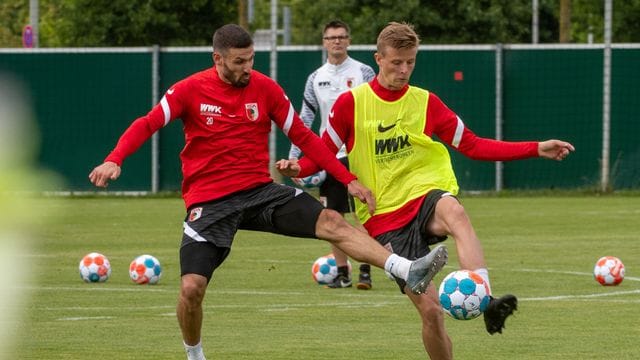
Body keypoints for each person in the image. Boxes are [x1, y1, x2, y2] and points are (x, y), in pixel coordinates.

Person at [88, 24, 448, 360]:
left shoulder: (265, 88)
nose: (247, 68)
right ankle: (194, 354)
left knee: (332, 220)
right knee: (191, 289)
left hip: (259, 192)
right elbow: (148, 122)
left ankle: (406, 267)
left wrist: (347, 177)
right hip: (210, 201)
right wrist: (114, 159)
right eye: (239, 62)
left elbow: (304, 137)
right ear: (218, 59)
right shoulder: (189, 90)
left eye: (251, 60)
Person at [278, 22, 575, 359]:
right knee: (432, 313)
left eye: (411, 62)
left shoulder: (426, 102)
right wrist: (297, 168)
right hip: (385, 218)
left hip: (424, 195)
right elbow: (321, 152)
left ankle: (487, 299)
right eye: (396, 63)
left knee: (455, 211)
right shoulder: (350, 105)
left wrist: (536, 148)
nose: (404, 70)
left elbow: (475, 146)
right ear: (378, 59)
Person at [290, 20, 376, 290]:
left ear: (349, 40)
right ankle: (342, 274)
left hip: (360, 153)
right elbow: (305, 119)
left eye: (341, 37)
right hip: (329, 156)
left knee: (364, 214)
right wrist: (295, 157)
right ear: (324, 42)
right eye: (331, 38)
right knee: (332, 216)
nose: (336, 41)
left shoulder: (364, 72)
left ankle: (365, 272)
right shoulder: (315, 78)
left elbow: (377, 109)